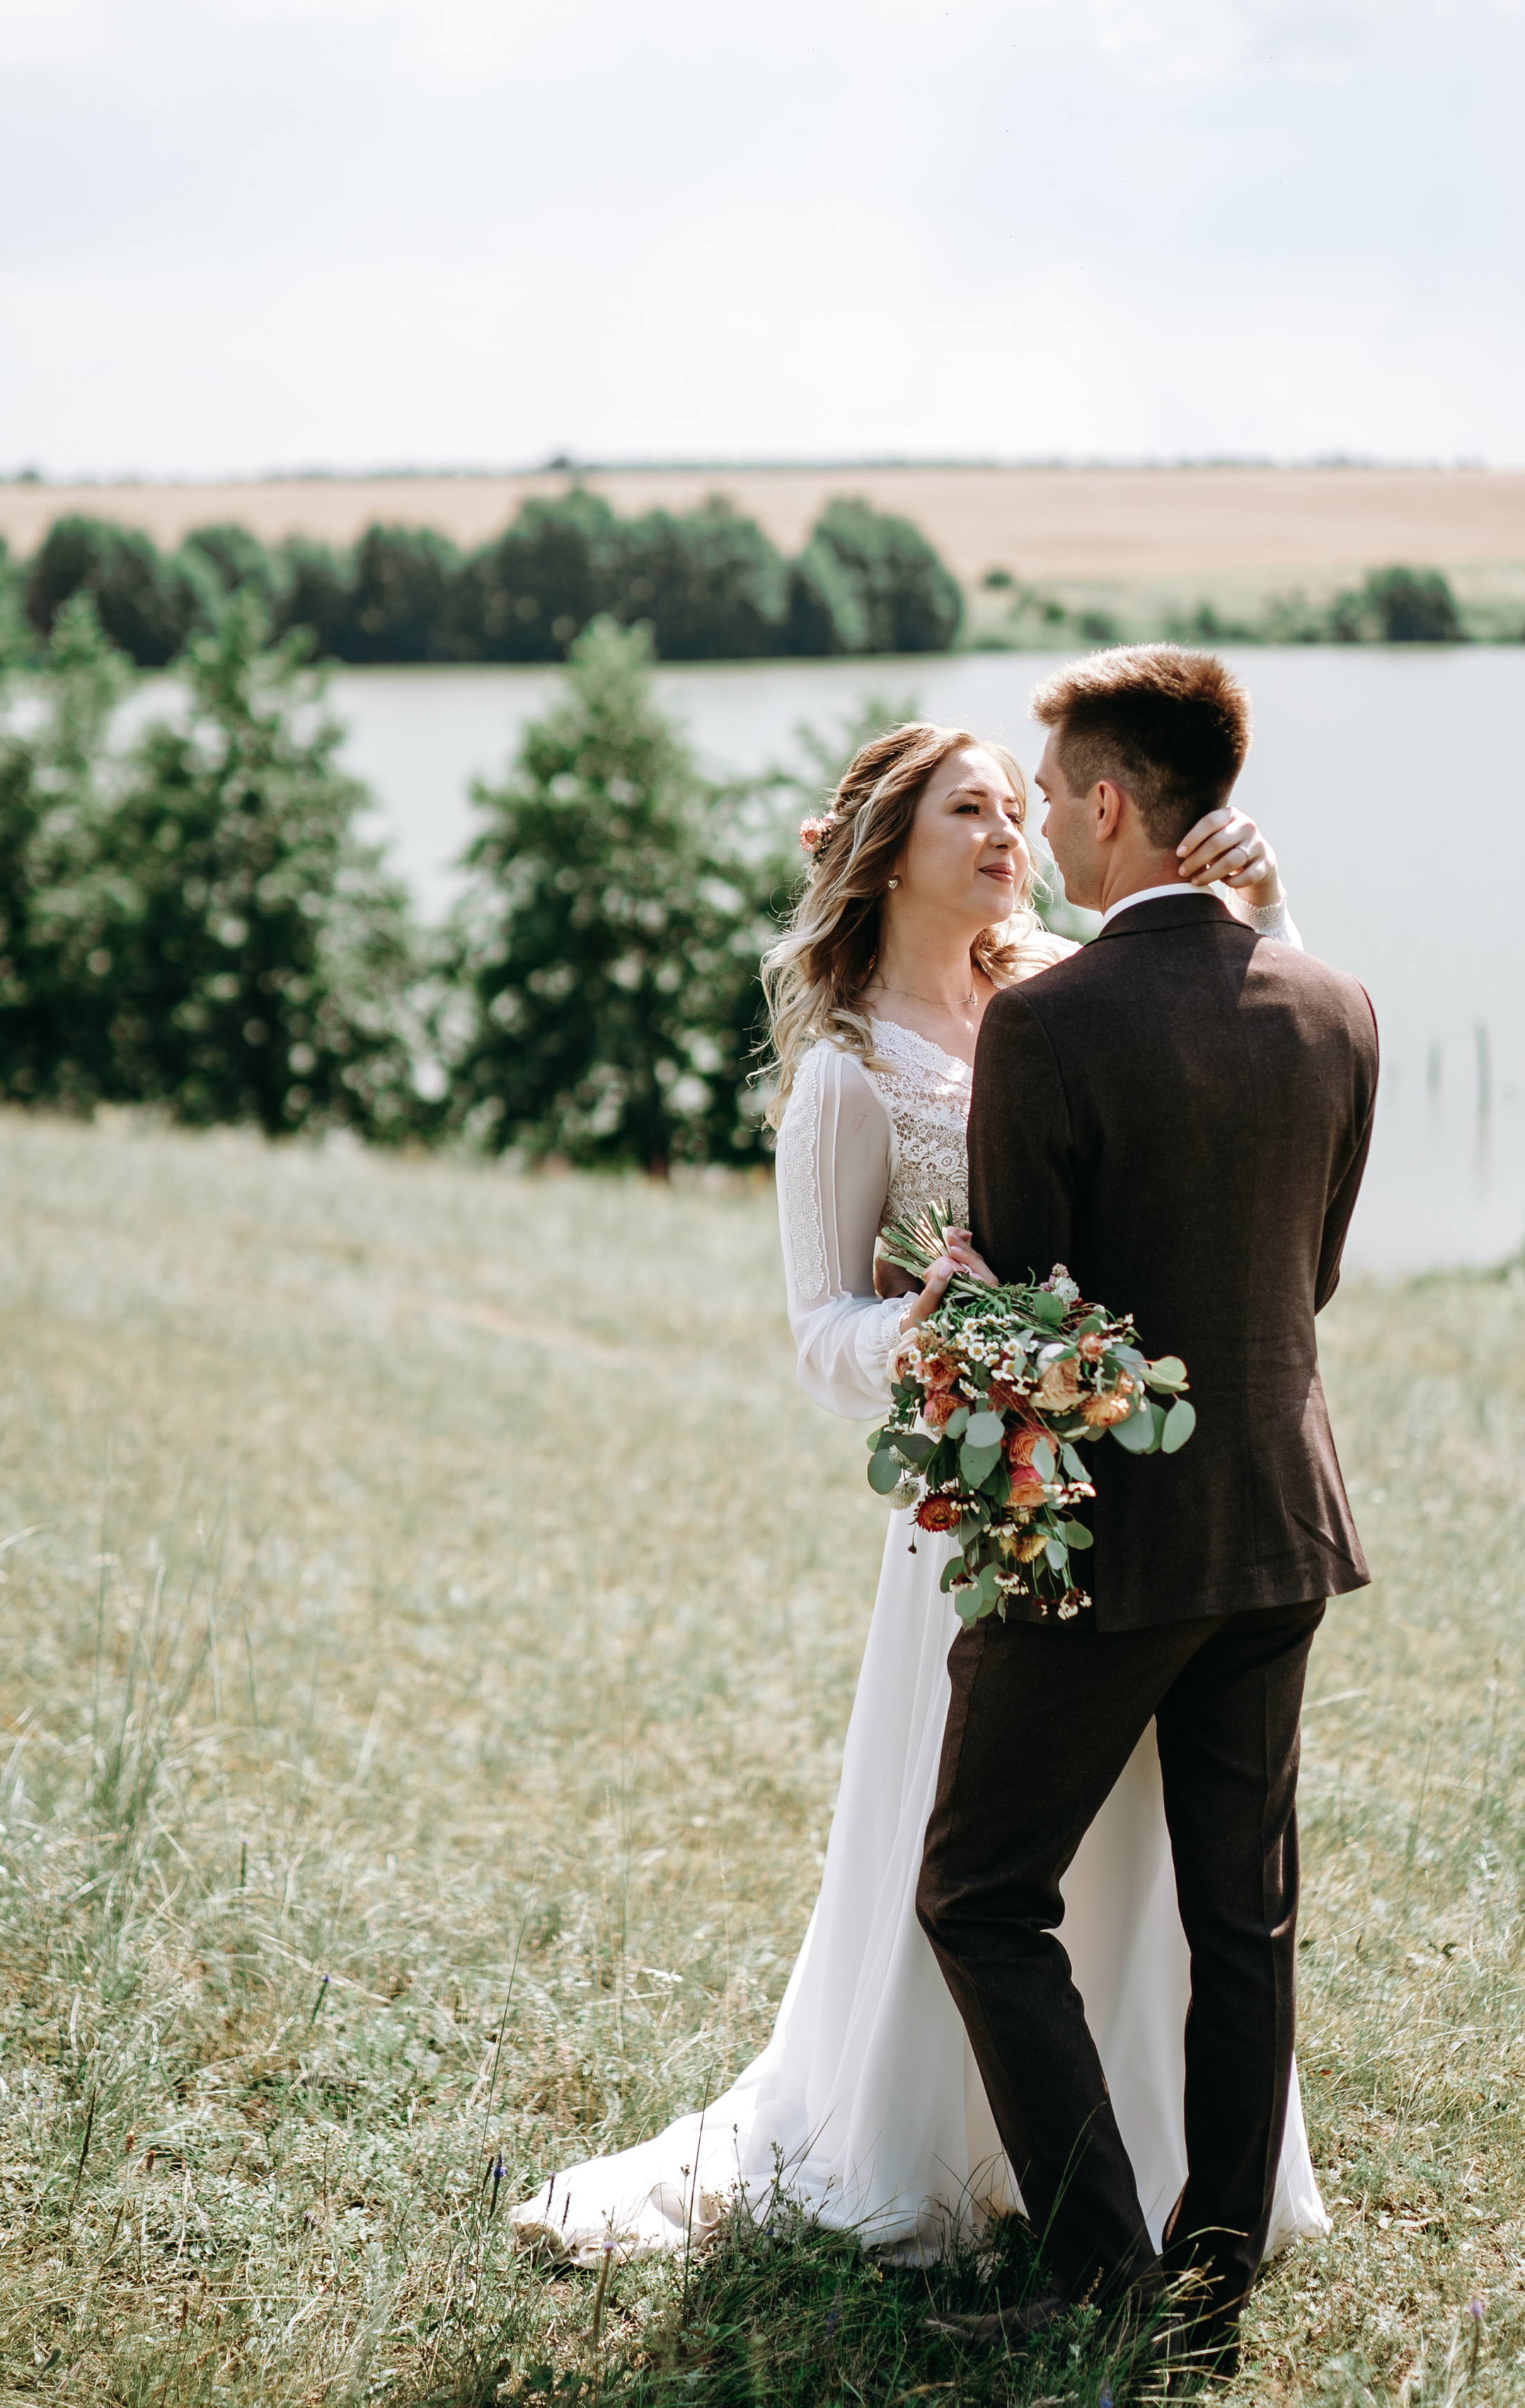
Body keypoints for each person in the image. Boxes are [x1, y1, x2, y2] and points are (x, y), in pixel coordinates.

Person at [514, 708, 1332, 2269]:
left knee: (1145, 1857)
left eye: (1017, 806)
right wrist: (940, 1335)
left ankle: (1145, 2158)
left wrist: (1262, 911)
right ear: (887, 851)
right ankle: (950, 2151)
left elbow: (1253, 1074)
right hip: (987, 1510)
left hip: (1151, 1508)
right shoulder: (847, 1075)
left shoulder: (1060, 990)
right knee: (974, 1862)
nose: (1011, 833)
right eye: (970, 809)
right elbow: (817, 1331)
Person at [916, 647, 1377, 2369]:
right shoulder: (1335, 1006)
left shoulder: (1044, 1024)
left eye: (1049, 797)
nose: (1040, 826)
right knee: (1240, 1923)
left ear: (1111, 806)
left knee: (976, 1892)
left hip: (1107, 1552)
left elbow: (1025, 1324)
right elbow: (1304, 1278)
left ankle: (1100, 2268)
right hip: (1281, 1528)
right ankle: (1208, 2298)